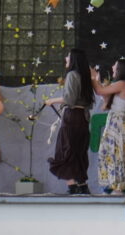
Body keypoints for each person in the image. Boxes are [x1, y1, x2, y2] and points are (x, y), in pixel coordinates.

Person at [46, 48, 94, 194]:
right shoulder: (86, 77)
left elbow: (69, 99)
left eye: (68, 56)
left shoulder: (72, 75)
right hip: (83, 117)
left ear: (73, 59)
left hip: (72, 116)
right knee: (79, 151)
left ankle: (72, 186)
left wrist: (52, 101)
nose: (66, 59)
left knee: (66, 149)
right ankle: (82, 185)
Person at [92, 59, 125, 194]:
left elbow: (99, 91)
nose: (112, 67)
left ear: (120, 69)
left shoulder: (123, 84)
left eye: (115, 66)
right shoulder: (119, 85)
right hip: (113, 121)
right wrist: (98, 81)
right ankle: (110, 185)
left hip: (119, 122)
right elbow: (105, 101)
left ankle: (118, 187)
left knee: (118, 154)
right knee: (108, 152)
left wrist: (93, 78)